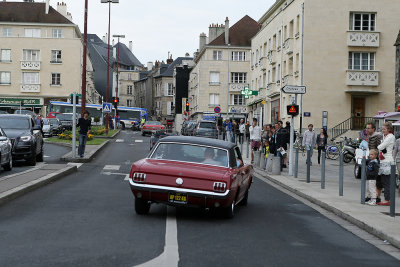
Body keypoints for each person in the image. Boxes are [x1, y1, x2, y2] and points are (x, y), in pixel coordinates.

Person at [377, 122, 395, 206]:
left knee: (387, 182)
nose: (382, 130)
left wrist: (380, 146)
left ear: (389, 129)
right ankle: (387, 199)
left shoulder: (390, 136)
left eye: (384, 129)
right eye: (382, 129)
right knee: (384, 181)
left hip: (387, 161)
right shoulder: (386, 136)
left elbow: (380, 147)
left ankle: (388, 200)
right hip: (384, 161)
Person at [365, 122, 383, 201]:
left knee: (377, 179)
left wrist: (377, 159)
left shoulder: (378, 136)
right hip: (372, 158)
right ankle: (371, 196)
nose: (367, 129)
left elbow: (380, 148)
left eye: (369, 128)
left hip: (377, 159)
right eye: (366, 128)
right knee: (371, 178)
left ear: (373, 129)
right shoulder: (370, 136)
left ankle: (377, 197)